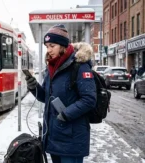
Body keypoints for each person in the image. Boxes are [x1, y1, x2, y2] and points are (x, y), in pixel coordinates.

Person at [25, 24, 96, 163]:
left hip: (71, 139)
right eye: (47, 46)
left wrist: (65, 114)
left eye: (52, 45)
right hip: (54, 136)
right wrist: (33, 87)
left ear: (63, 45)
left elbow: (89, 99)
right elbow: (45, 97)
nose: (49, 50)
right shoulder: (52, 67)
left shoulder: (79, 66)